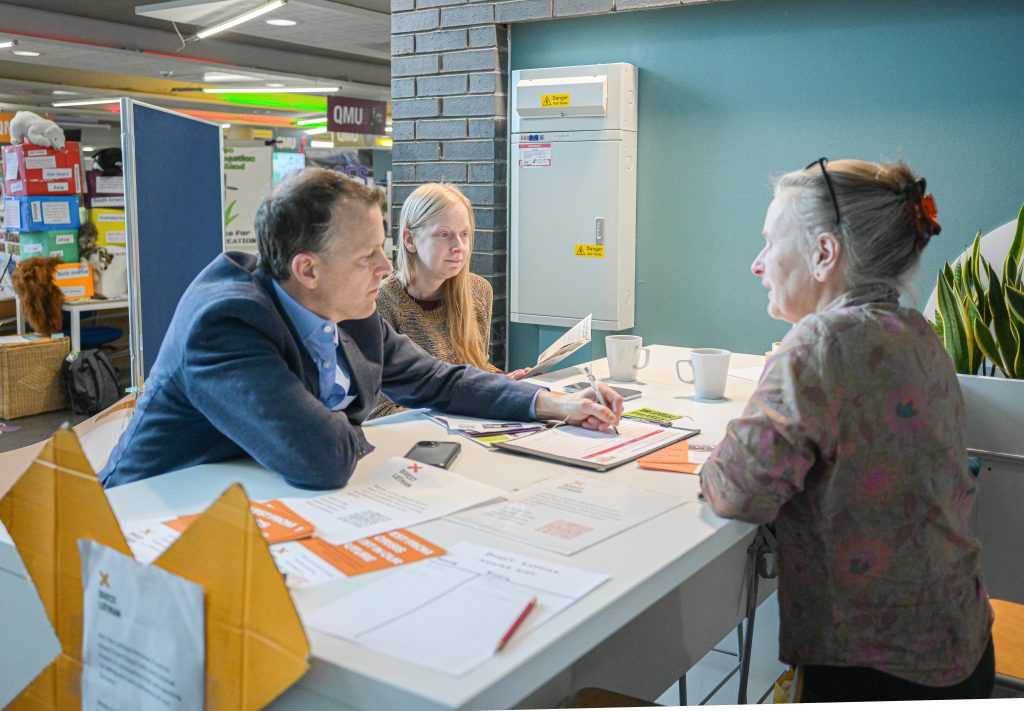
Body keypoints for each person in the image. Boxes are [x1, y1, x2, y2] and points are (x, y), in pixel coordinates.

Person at [99, 168, 622, 490]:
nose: (385, 268)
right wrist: (347, 422)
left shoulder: (349, 305)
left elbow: (438, 380)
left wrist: (554, 403)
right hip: (147, 523)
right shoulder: (226, 324)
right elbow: (320, 459)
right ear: (308, 269)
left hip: (257, 500)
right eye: (366, 256)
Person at [700, 158, 993, 702]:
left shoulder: (818, 343)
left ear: (824, 254)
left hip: (875, 667)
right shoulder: (917, 331)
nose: (758, 264)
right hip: (961, 642)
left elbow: (737, 490)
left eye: (770, 243)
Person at [371, 183, 525, 419]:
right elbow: (379, 411)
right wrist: (474, 398)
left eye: (464, 234)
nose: (459, 247)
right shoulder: (381, 303)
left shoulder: (478, 291)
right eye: (444, 235)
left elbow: (475, 367)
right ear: (410, 240)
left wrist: (503, 380)